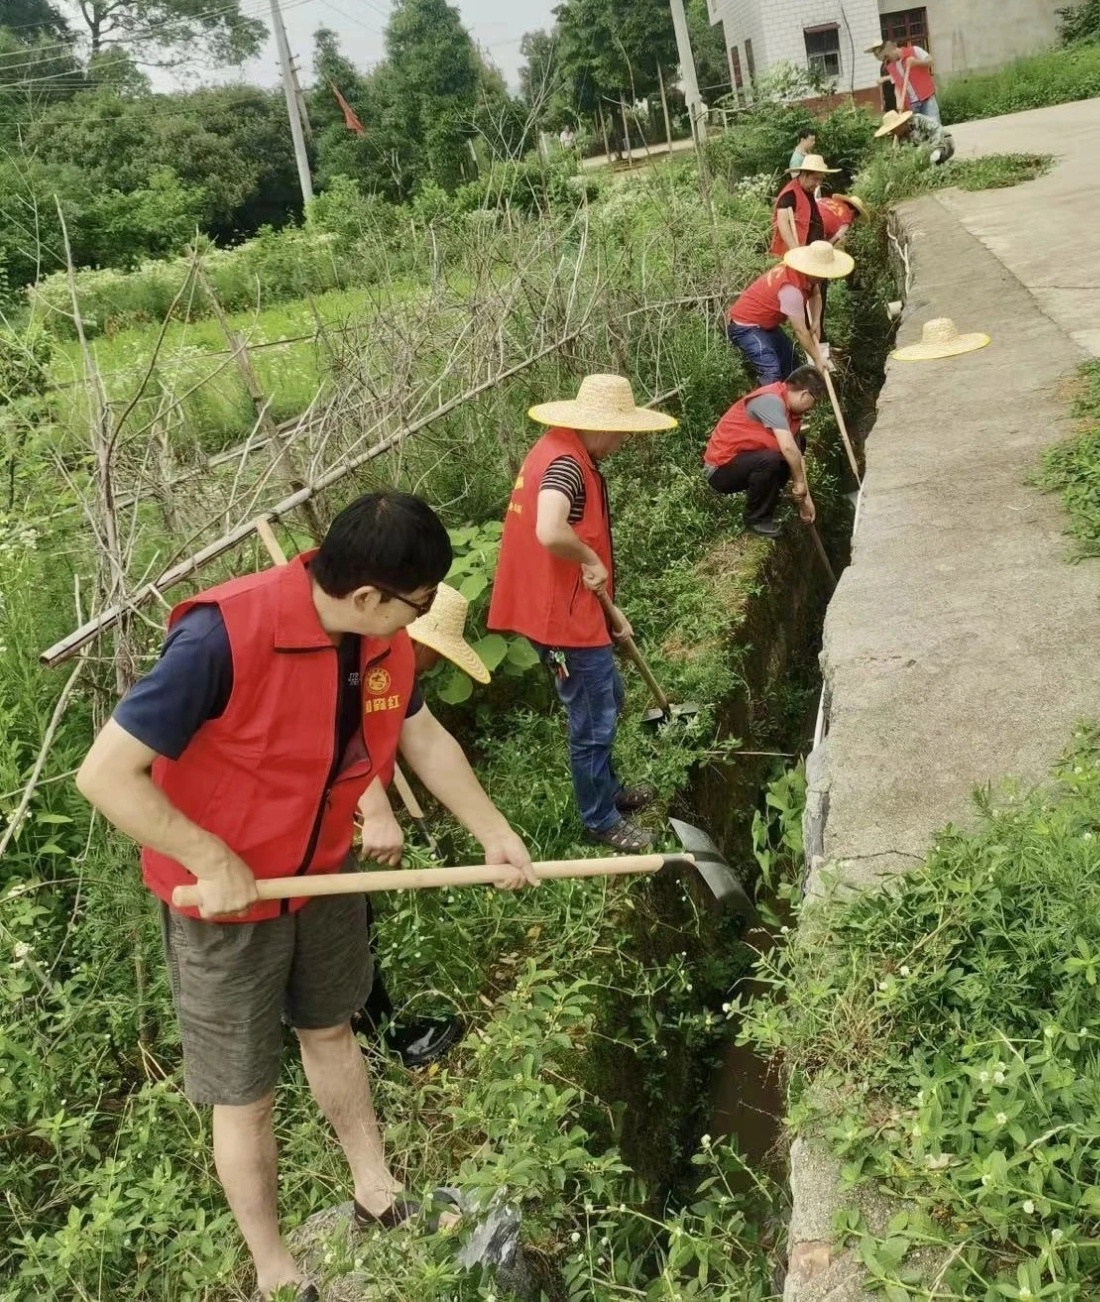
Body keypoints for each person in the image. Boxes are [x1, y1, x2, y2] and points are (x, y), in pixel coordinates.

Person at [75, 492, 538, 1302]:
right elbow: (106, 774)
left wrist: (492, 830)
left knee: (331, 1030)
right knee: (246, 1092)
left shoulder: (382, 644)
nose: (419, 621)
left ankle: (375, 1186)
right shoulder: (223, 636)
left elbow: (422, 736)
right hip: (222, 908)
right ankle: (274, 1267)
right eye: (417, 605)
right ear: (367, 596)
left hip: (323, 878)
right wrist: (208, 855)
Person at [488, 375, 675, 853]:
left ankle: (608, 790)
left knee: (608, 691)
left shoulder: (557, 448)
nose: (624, 441)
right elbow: (550, 530)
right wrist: (591, 560)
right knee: (593, 717)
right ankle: (599, 819)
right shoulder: (567, 466)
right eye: (622, 432)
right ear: (600, 426)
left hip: (568, 605)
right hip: (560, 619)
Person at [355, 581, 493, 1070]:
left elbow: (429, 742)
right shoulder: (356, 657)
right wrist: (374, 809)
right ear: (419, 643)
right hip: (275, 831)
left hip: (323, 826)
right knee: (346, 929)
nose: (434, 669)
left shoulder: (396, 671)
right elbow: (329, 736)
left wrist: (495, 834)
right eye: (437, 658)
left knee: (353, 921)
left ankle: (373, 1035)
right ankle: (371, 1047)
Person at [704, 366, 827, 539]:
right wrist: (798, 483)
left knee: (795, 448)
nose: (812, 407)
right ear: (804, 394)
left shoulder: (792, 415)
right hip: (721, 470)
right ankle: (756, 519)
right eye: (814, 401)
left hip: (747, 462)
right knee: (771, 460)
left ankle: (768, 499)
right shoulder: (771, 401)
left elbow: (796, 455)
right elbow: (787, 448)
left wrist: (806, 501)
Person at [727, 240, 855, 385]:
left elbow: (816, 295)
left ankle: (790, 402)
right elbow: (800, 330)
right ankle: (766, 405)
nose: (824, 276)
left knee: (791, 363)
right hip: (746, 326)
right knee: (771, 372)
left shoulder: (806, 274)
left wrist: (816, 321)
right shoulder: (791, 290)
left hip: (767, 324)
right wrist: (818, 358)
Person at [770, 154, 840, 258]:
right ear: (803, 175)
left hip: (809, 252)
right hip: (794, 255)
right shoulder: (790, 194)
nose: (818, 183)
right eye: (815, 179)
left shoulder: (807, 189)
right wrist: (794, 248)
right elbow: (782, 222)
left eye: (820, 180)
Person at [869, 37, 939, 122]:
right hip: (912, 105)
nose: (887, 60)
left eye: (887, 56)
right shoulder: (891, 66)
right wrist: (899, 105)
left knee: (935, 128)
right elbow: (898, 87)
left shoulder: (914, 50)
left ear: (892, 49)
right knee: (918, 133)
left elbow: (930, 60)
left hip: (927, 99)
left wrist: (916, 62)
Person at [874, 108, 955, 165]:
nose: (894, 133)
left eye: (894, 130)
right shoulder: (899, 137)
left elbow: (938, 131)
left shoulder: (918, 120)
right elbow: (903, 155)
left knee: (925, 150)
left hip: (943, 142)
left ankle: (939, 159)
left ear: (900, 125)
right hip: (924, 153)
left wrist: (937, 149)